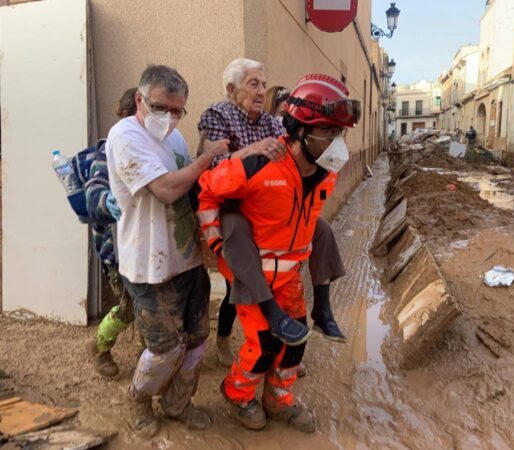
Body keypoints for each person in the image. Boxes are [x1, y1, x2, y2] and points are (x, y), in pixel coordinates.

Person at [198, 73, 360, 433]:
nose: (338, 143)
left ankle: (279, 400)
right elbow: (207, 191)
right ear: (302, 131)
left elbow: (308, 223)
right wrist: (218, 245)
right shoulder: (260, 164)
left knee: (297, 340)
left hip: (288, 278)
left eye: (340, 134)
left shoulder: (326, 175)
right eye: (330, 133)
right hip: (252, 277)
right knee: (264, 344)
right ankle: (238, 394)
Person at [106, 65, 228, 438]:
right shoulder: (125, 135)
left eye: (178, 111)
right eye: (162, 108)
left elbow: (191, 187)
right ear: (140, 99)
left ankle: (178, 404)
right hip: (148, 264)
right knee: (165, 347)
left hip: (186, 258)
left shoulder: (173, 138)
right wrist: (208, 156)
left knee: (196, 340)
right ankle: (139, 399)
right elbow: (167, 190)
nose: (170, 118)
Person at [86, 87, 138, 378]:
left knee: (145, 307)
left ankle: (149, 357)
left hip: (140, 245)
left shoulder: (146, 147)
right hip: (115, 249)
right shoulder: (108, 147)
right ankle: (100, 346)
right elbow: (94, 192)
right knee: (129, 307)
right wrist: (108, 201)